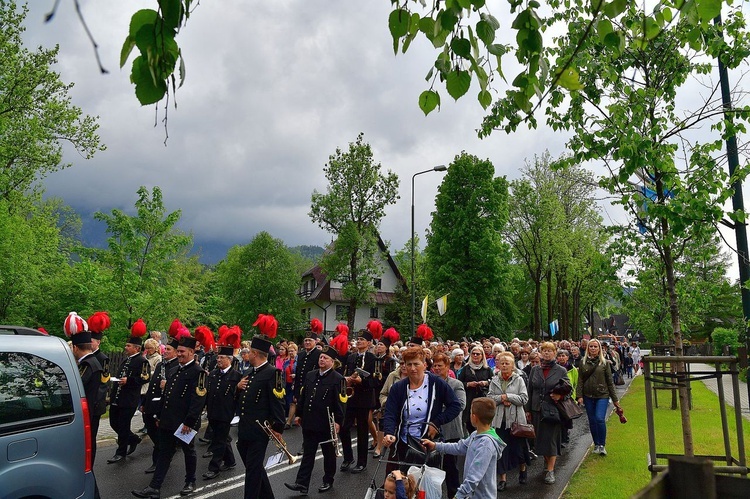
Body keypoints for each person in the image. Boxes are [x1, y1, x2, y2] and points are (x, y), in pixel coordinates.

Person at [132, 334, 207, 498]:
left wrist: (189, 422)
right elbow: (166, 397)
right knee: (165, 453)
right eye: (178, 351)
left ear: (191, 351)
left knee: (189, 451)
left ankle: (190, 482)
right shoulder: (174, 370)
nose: (179, 354)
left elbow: (198, 401)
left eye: (182, 351)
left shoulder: (198, 372)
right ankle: (154, 487)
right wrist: (159, 416)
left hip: (185, 424)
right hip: (168, 421)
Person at [382, 347, 462, 473]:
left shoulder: (437, 383)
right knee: (399, 484)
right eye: (409, 364)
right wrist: (389, 432)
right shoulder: (398, 388)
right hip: (403, 442)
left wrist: (436, 422)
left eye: (416, 364)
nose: (412, 368)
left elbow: (455, 406)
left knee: (424, 487)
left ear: (424, 365)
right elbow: (390, 413)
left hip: (427, 443)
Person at [235, 314, 286, 499]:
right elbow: (243, 399)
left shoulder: (273, 373)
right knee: (253, 467)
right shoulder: (250, 372)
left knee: (253, 472)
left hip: (260, 431)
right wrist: (237, 388)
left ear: (256, 354)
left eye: (248, 352)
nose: (246, 355)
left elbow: (278, 401)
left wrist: (278, 427)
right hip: (245, 428)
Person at [284, 346, 345, 495]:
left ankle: (328, 480)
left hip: (326, 424)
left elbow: (341, 403)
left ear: (332, 361)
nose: (322, 360)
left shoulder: (338, 379)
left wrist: (338, 422)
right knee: (308, 454)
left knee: (329, 455)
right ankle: (302, 484)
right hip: (310, 421)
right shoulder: (311, 375)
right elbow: (304, 397)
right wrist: (299, 414)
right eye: (321, 357)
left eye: (325, 358)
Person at [421, 397, 505, 499]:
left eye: (470, 413)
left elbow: (474, 476)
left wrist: (459, 495)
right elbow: (459, 447)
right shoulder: (475, 435)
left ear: (474, 417)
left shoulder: (486, 444)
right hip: (473, 495)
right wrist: (435, 446)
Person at [66, 312, 104, 499]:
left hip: (87, 418)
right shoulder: (87, 363)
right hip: (88, 417)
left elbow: (79, 392)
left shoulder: (89, 365)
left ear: (75, 347)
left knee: (86, 463)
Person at [525, 341, 570, 485]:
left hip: (553, 411)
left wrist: (560, 396)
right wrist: (527, 410)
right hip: (537, 410)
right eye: (544, 350)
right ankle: (547, 462)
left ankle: (550, 470)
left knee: (551, 440)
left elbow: (569, 391)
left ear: (554, 353)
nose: (546, 353)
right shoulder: (535, 370)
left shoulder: (561, 371)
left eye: (549, 351)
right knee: (540, 441)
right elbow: (529, 390)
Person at [108, 319, 150, 464]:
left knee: (124, 425)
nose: (125, 347)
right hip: (117, 398)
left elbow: (145, 377)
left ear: (136, 348)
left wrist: (129, 381)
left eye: (128, 345)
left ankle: (121, 452)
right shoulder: (125, 361)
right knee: (114, 423)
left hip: (129, 399)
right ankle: (133, 439)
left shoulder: (142, 361)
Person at [202, 332, 242, 481]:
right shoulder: (213, 374)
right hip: (212, 411)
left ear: (229, 359)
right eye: (217, 357)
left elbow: (237, 397)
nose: (218, 360)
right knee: (222, 438)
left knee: (218, 440)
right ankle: (230, 461)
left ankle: (214, 468)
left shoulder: (236, 376)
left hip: (226, 413)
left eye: (221, 357)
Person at [488, 352, 529, 492]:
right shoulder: (494, 380)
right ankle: (503, 479)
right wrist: (501, 398)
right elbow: (490, 398)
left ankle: (522, 470)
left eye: (507, 364)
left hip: (516, 421)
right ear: (498, 365)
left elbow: (524, 399)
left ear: (512, 366)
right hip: (499, 421)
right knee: (501, 451)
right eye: (502, 363)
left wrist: (508, 397)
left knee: (519, 449)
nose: (504, 366)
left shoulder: (519, 379)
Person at [141, 334, 181, 474]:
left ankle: (158, 462)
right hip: (152, 404)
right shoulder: (161, 364)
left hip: (163, 407)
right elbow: (152, 385)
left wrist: (167, 385)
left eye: (169, 349)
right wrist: (145, 403)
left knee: (160, 437)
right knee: (152, 430)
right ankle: (164, 454)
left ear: (176, 352)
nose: (165, 351)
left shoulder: (177, 366)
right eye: (166, 349)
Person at [339, 328, 377, 474]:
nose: (359, 341)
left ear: (369, 343)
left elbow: (376, 381)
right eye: (358, 339)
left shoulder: (373, 359)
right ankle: (348, 457)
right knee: (344, 427)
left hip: (364, 398)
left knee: (362, 430)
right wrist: (348, 379)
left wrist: (362, 381)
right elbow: (346, 372)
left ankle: (362, 462)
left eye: (362, 340)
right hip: (350, 398)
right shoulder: (351, 357)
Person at [431, 353, 467, 499]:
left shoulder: (456, 384)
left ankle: (454, 495)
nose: (437, 368)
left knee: (450, 467)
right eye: (435, 366)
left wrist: (439, 412)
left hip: (451, 430)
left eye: (440, 366)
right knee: (432, 468)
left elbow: (461, 405)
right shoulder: (430, 383)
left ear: (447, 367)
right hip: (433, 431)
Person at [577, 338, 621, 456]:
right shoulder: (583, 362)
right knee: (592, 420)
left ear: (599, 349)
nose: (593, 348)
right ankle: (596, 443)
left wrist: (615, 399)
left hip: (602, 394)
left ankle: (602, 444)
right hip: (588, 395)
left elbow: (610, 382)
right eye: (591, 346)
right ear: (587, 348)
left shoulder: (604, 363)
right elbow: (580, 380)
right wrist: (579, 395)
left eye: (595, 347)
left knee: (599, 419)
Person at [457, 345, 493, 433]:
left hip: (483, 399)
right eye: (473, 354)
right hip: (469, 398)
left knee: (482, 422)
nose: (475, 356)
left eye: (478, 354)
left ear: (482, 356)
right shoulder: (466, 368)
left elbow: (494, 382)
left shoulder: (487, 369)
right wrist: (468, 384)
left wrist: (485, 383)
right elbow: (459, 383)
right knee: (469, 422)